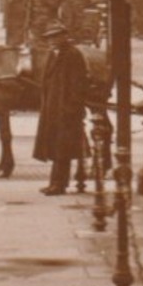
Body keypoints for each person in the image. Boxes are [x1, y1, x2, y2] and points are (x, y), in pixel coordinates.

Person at [35, 22, 88, 195]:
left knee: (62, 148)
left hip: (66, 109)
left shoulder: (73, 55)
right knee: (56, 146)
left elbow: (78, 84)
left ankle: (59, 184)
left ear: (64, 37)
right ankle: (55, 182)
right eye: (50, 37)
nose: (52, 40)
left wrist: (71, 108)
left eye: (55, 36)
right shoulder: (53, 54)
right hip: (52, 107)